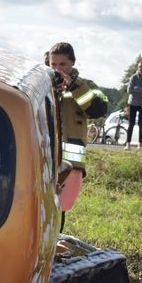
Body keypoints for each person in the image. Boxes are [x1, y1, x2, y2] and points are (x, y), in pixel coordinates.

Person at [47, 42, 108, 211]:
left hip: (72, 164)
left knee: (61, 210)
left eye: (63, 64)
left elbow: (98, 109)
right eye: (53, 64)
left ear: (73, 62)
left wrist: (74, 87)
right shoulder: (44, 85)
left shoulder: (86, 86)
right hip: (45, 159)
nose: (57, 69)